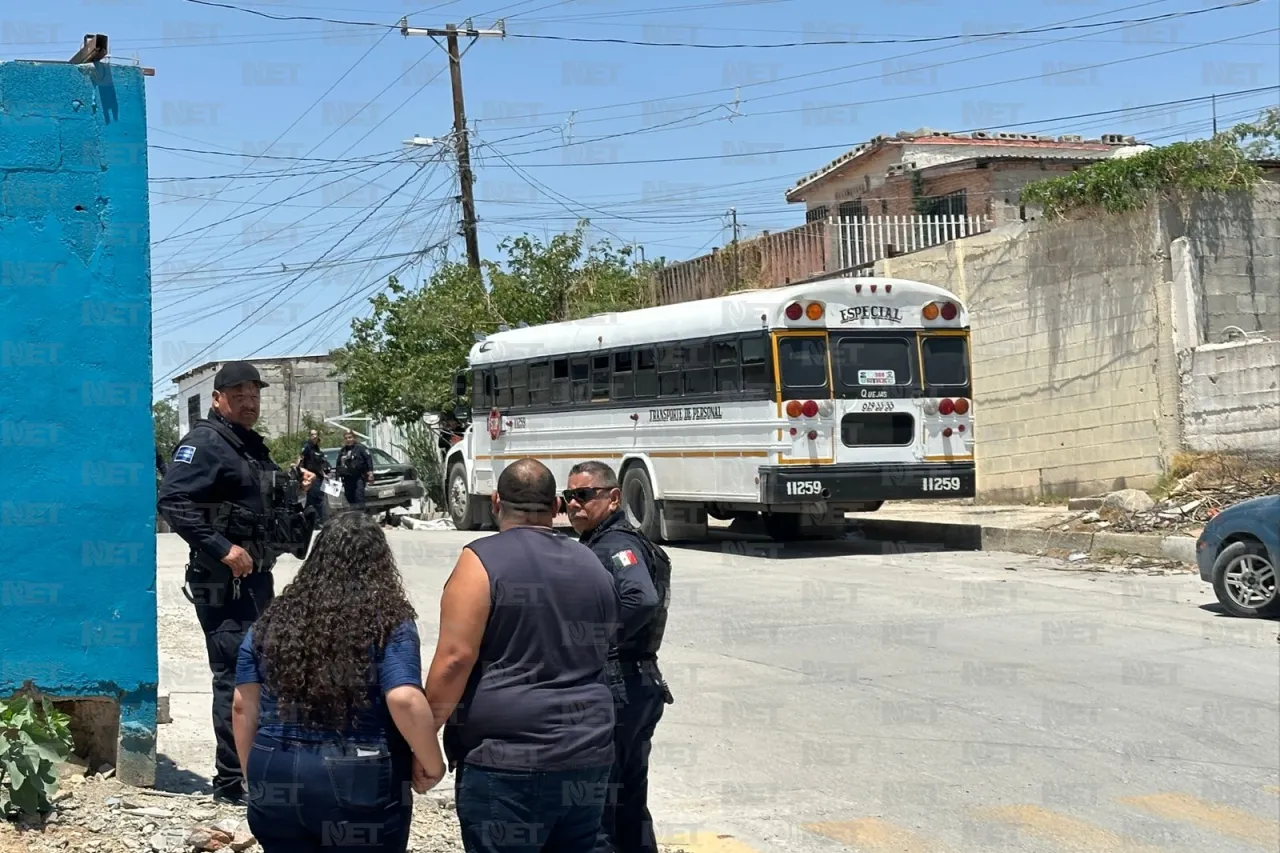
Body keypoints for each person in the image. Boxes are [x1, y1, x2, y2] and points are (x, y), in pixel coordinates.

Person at [425, 458, 620, 853]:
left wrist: (422, 735)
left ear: (496, 502)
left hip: (506, 763)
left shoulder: (479, 561)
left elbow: (454, 659)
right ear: (555, 507)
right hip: (587, 755)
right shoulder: (592, 563)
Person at [232, 511, 447, 852]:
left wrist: (253, 774)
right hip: (357, 773)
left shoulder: (271, 620)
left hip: (274, 765)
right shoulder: (389, 621)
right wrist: (433, 763)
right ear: (380, 564)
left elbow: (243, 705)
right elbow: (404, 698)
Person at [157, 361, 317, 803]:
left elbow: (259, 501)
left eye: (254, 394)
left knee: (257, 675)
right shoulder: (205, 443)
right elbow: (172, 499)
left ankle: (252, 770)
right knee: (234, 676)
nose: (249, 402)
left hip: (256, 580)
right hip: (223, 583)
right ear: (217, 398)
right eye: (239, 394)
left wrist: (298, 490)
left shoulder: (248, 446)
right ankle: (232, 782)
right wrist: (221, 547)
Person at [565, 461, 674, 853]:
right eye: (568, 496)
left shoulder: (616, 545)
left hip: (620, 685)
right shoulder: (606, 540)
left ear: (613, 498)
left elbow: (640, 598)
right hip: (634, 683)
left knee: (603, 805)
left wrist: (593, 642)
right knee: (628, 799)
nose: (574, 505)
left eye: (583, 495)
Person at [297, 429, 331, 524]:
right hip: (310, 477)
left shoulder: (317, 448)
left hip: (318, 477)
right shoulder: (307, 447)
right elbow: (300, 458)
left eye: (316, 434)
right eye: (312, 435)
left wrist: (324, 474)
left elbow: (318, 464)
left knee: (315, 500)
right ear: (309, 436)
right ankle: (323, 521)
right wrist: (298, 471)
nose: (314, 436)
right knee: (317, 499)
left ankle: (312, 520)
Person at [335, 430, 374, 510]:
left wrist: (370, 474)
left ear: (354, 438)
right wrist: (337, 478)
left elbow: (368, 460)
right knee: (350, 500)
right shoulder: (343, 451)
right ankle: (354, 518)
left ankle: (361, 518)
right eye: (346, 438)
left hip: (358, 478)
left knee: (359, 499)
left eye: (350, 437)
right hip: (347, 479)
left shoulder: (360, 448)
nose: (348, 440)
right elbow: (338, 465)